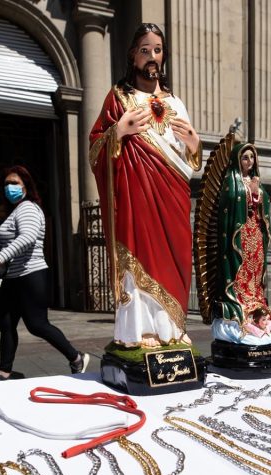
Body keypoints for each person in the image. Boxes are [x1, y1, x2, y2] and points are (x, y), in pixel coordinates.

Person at [89, 22, 202, 350]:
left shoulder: (176, 102)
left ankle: (171, 330)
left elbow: (189, 157)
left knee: (175, 257)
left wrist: (195, 144)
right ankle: (139, 333)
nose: (152, 57)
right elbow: (96, 146)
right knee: (140, 256)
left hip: (174, 195)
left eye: (157, 50)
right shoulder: (119, 97)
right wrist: (118, 132)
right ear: (132, 56)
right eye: (144, 50)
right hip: (137, 196)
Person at [0, 166, 88, 380]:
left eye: (15, 183)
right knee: (5, 321)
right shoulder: (16, 211)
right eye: (6, 184)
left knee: (37, 325)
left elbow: (28, 237)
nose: (9, 187)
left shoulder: (27, 208)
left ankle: (76, 358)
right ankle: (4, 371)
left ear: (26, 186)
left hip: (31, 274)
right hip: (13, 277)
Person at [207, 142, 271, 343]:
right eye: (245, 157)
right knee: (241, 267)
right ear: (238, 160)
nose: (249, 161)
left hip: (255, 232)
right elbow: (229, 201)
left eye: (252, 158)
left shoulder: (256, 181)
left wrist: (257, 194)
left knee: (256, 268)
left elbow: (265, 204)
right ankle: (241, 301)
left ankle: (255, 300)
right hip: (239, 234)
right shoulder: (232, 180)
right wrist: (249, 193)